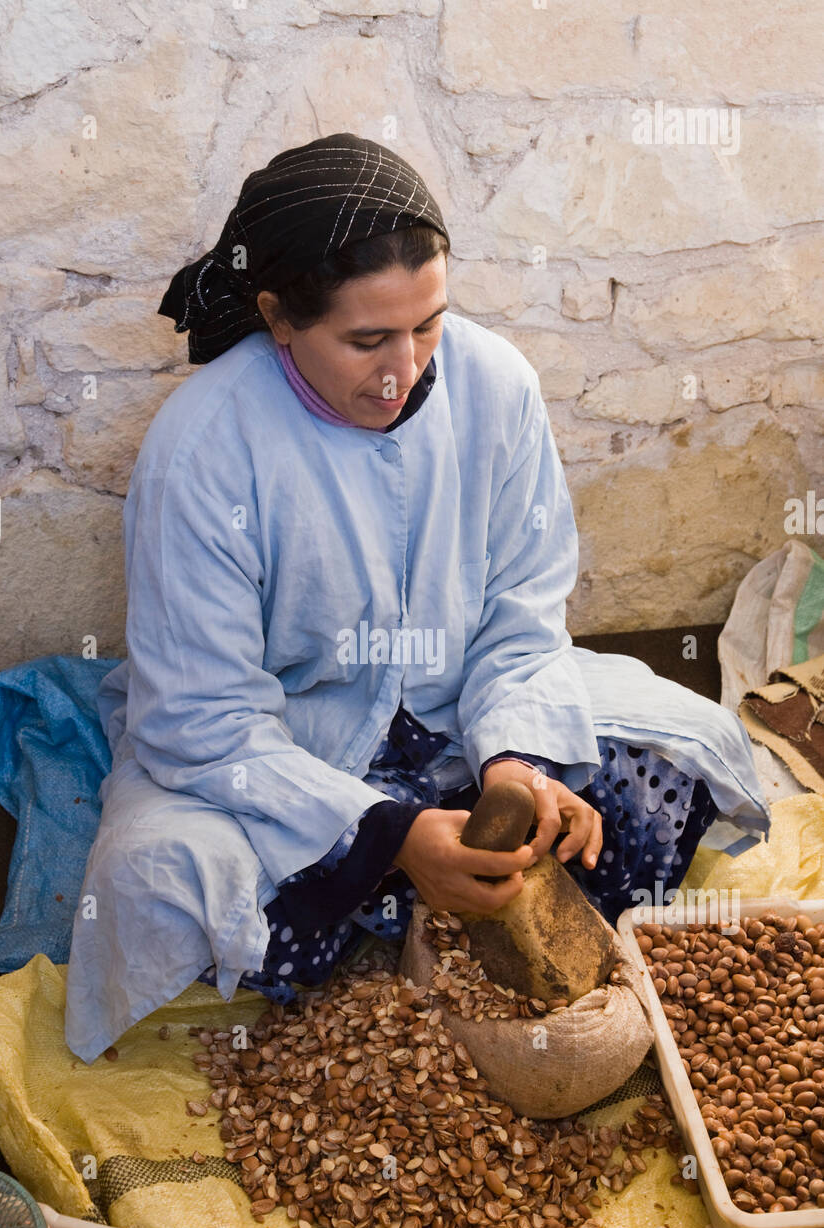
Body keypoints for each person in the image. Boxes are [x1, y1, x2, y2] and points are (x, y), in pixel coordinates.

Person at [64, 133, 770, 1062]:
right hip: (300, 749)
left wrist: (520, 769)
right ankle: (410, 907)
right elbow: (202, 719)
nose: (405, 370)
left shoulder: (499, 386)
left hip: (459, 717)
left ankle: (412, 925)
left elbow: (522, 614)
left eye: (428, 323)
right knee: (161, 880)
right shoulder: (203, 449)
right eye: (367, 340)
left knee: (670, 759)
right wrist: (395, 837)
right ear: (278, 316)